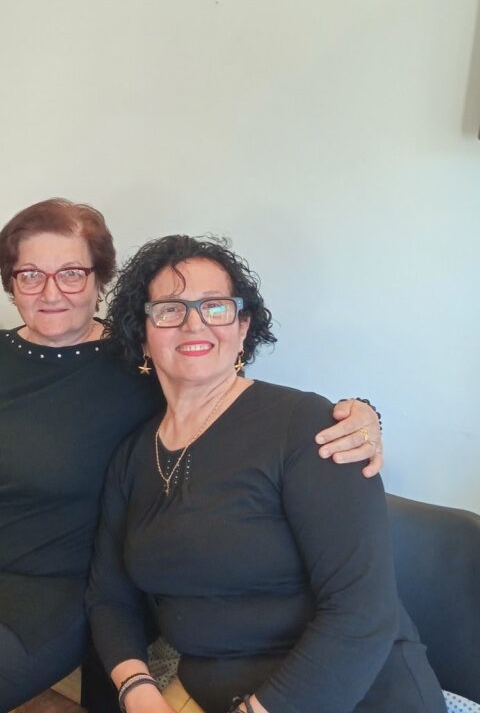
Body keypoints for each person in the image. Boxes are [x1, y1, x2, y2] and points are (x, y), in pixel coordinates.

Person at [0, 199, 382, 713]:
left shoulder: (141, 367)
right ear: (11, 283)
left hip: (20, 598)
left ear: (100, 279)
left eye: (71, 273)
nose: (50, 292)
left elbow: (225, 395)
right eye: (30, 274)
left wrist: (359, 414)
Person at [87, 235, 444, 713]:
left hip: (351, 688)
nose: (194, 323)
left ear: (243, 327)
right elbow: (109, 597)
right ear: (143, 334)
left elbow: (362, 614)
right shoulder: (132, 456)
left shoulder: (308, 426)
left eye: (215, 306)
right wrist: (137, 690)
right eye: (169, 309)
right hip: (212, 688)